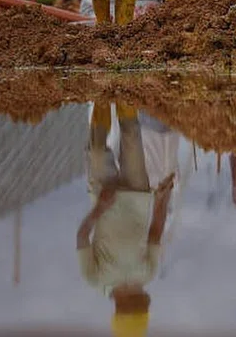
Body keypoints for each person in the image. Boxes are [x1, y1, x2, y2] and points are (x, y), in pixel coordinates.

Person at [78, 101, 179, 337]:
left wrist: (100, 208)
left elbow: (82, 237)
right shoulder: (147, 274)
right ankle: (124, 94)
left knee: (97, 149)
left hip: (105, 196)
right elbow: (156, 231)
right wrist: (163, 199)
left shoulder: (96, 278)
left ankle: (102, 93)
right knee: (132, 137)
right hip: (138, 194)